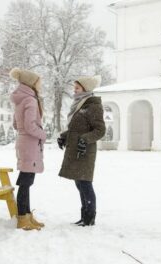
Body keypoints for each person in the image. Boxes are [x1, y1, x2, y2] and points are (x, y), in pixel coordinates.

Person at [57, 76, 106, 226]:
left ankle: (89, 217)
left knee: (85, 183)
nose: (74, 90)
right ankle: (84, 216)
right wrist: (64, 137)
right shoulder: (79, 105)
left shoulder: (93, 106)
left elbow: (100, 130)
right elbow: (75, 128)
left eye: (77, 88)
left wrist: (85, 139)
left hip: (85, 151)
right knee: (79, 183)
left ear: (85, 89)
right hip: (76, 149)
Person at [9, 67, 46, 231]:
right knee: (25, 182)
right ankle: (23, 219)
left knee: (26, 181)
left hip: (23, 142)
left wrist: (27, 131)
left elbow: (16, 124)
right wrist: (43, 134)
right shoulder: (30, 100)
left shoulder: (21, 99)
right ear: (32, 83)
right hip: (30, 144)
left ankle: (27, 215)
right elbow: (31, 126)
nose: (41, 85)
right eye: (39, 82)